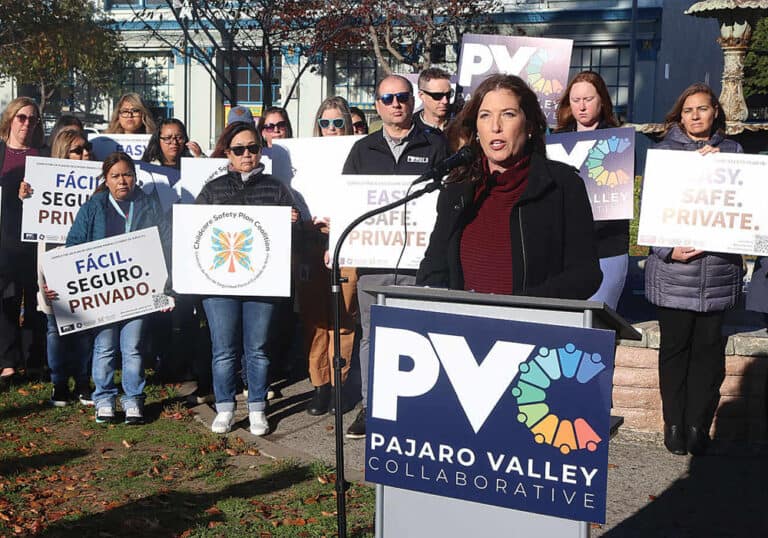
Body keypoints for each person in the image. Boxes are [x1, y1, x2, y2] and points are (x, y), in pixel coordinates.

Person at [416, 73, 601, 297]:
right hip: (462, 326)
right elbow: (433, 269)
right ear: (476, 130)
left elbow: (585, 274)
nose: (495, 126)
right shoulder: (457, 189)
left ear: (530, 125)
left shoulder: (563, 185)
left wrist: (519, 308)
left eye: (508, 114)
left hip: (532, 327)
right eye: (485, 116)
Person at [342, 74, 447, 438]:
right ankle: (373, 407)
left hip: (422, 264)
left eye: (402, 96)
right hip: (375, 263)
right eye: (388, 98)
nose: (396, 104)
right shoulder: (362, 149)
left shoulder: (436, 144)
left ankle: (419, 407)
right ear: (377, 104)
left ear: (412, 100)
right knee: (373, 336)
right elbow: (348, 202)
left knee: (421, 335)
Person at [644, 83, 743, 457]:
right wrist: (669, 250)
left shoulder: (733, 153)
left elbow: (744, 215)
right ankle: (674, 423)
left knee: (708, 355)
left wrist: (724, 167)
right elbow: (650, 211)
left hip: (717, 274)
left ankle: (699, 425)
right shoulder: (663, 154)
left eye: (702, 109)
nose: (696, 116)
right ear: (679, 115)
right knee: (673, 351)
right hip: (674, 276)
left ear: (715, 112)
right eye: (689, 110)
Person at [196, 122, 298, 436]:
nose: (247, 155)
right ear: (227, 152)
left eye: (253, 148)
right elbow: (194, 233)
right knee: (224, 348)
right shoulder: (213, 189)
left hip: (263, 282)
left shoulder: (276, 188)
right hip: (218, 282)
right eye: (239, 149)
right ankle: (225, 407)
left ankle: (257, 407)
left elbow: (291, 238)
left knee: (257, 348)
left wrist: (293, 221)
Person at [65, 152, 171, 424]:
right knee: (104, 346)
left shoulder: (147, 204)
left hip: (137, 291)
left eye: (127, 175)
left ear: (135, 177)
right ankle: (104, 399)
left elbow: (164, 244)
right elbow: (74, 244)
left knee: (133, 346)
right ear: (106, 180)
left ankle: (133, 399)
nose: (122, 181)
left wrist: (164, 288)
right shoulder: (94, 207)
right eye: (116, 176)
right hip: (104, 293)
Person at [19, 128, 94, 406]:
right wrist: (26, 193)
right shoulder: (43, 181)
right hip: (53, 257)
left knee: (86, 326)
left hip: (87, 258)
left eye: (87, 148)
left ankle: (84, 382)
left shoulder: (98, 185)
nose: (85, 154)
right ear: (63, 152)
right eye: (77, 150)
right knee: (55, 325)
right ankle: (59, 384)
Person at [299, 97, 358, 415]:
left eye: (338, 122)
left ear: (347, 124)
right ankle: (318, 385)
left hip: (347, 239)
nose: (332, 128)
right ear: (318, 126)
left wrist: (342, 221)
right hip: (311, 240)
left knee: (342, 317)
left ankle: (340, 385)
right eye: (326, 122)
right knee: (315, 318)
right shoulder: (305, 155)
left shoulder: (359, 152)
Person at [555, 71, 627, 310]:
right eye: (576, 100)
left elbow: (621, 196)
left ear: (602, 100)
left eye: (588, 99)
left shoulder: (620, 141)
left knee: (597, 323)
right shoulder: (556, 142)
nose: (582, 106)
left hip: (607, 249)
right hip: (564, 251)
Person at [0, 97, 49, 392]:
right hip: (3, 238)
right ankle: (7, 360)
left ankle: (33, 360)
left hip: (33, 241)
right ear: (10, 118)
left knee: (34, 300)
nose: (27, 124)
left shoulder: (42, 154)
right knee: (5, 301)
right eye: (22, 117)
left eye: (33, 119)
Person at [414, 67, 453, 133]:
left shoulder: (461, 124)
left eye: (449, 94)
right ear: (422, 95)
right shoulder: (410, 127)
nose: (445, 101)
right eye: (437, 96)